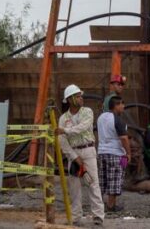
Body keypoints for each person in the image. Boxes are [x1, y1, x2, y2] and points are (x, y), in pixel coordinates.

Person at [57, 84, 105, 226]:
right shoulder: (63, 118)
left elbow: (83, 127)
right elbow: (62, 141)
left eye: (80, 96)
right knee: (74, 187)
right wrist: (73, 156)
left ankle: (98, 216)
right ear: (70, 99)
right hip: (73, 153)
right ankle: (76, 217)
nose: (81, 98)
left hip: (88, 150)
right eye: (78, 96)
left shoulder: (87, 112)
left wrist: (65, 130)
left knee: (93, 183)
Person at [97, 96, 131, 212]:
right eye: (121, 104)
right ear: (115, 106)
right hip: (117, 154)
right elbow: (124, 139)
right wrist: (128, 154)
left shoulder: (100, 118)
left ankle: (99, 205)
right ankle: (111, 205)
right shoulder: (118, 120)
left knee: (103, 179)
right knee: (116, 178)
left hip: (102, 152)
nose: (123, 106)